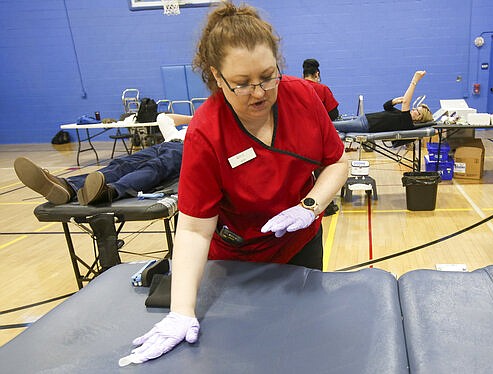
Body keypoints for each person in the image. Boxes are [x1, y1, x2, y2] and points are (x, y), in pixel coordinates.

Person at [121, 1, 349, 366]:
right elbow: (194, 229)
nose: (259, 92)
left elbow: (337, 162)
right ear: (216, 77)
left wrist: (309, 207)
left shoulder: (304, 97)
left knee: (301, 347)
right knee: (244, 353)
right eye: (242, 84)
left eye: (268, 76)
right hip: (236, 260)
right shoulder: (206, 132)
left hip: (300, 243)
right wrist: (181, 311)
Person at [13, 113, 191, 206]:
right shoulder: (182, 128)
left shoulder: (206, 129)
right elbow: (163, 118)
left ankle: (108, 191)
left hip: (189, 148)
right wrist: (193, 117)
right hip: (167, 143)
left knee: (155, 167)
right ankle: (68, 186)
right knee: (121, 164)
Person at [334, 70, 433, 133]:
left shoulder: (407, 122)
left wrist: (415, 80)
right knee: (332, 124)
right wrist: (394, 101)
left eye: (417, 110)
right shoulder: (401, 115)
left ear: (420, 117)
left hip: (366, 125)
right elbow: (386, 106)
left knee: (331, 125)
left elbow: (406, 102)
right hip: (364, 118)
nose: (413, 109)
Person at [303, 58, 341, 216]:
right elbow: (334, 114)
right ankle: (325, 206)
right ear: (317, 73)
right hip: (316, 137)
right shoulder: (322, 89)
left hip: (296, 137)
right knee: (322, 171)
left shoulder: (294, 87)